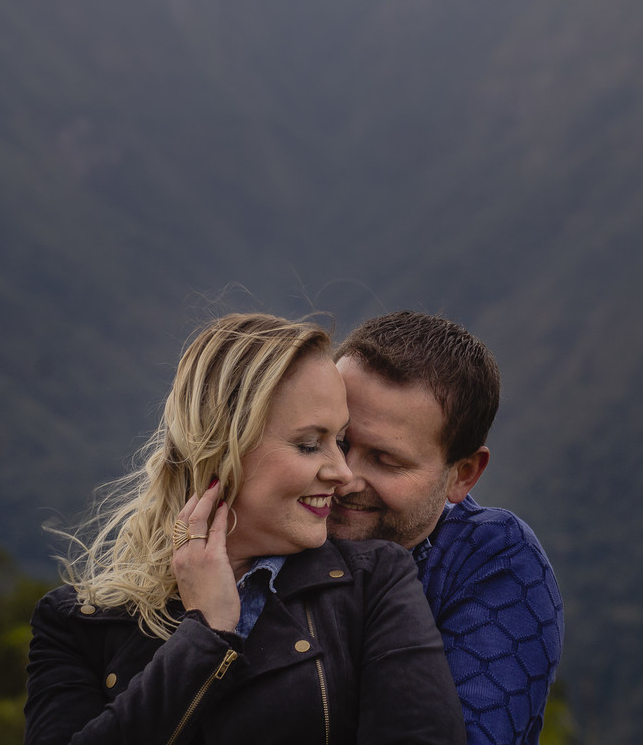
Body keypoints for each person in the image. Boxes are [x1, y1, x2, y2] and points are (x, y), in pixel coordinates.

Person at [25, 312, 465, 745]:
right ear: (221, 447)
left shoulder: (374, 581)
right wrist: (206, 634)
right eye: (309, 445)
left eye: (339, 441)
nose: (342, 472)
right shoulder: (73, 622)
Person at [327, 311, 564, 745]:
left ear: (463, 474)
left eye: (385, 460)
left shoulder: (492, 559)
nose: (343, 477)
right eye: (335, 442)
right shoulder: (266, 521)